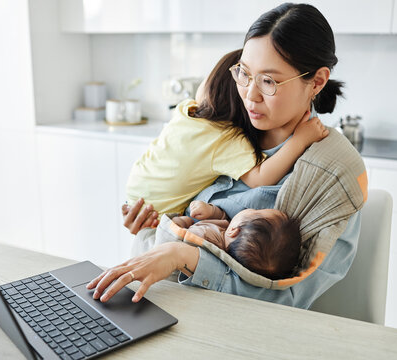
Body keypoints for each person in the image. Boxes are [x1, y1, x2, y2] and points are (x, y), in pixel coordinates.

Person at [87, 3, 361, 308]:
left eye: (268, 81)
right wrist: (149, 221)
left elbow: (287, 298)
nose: (250, 95)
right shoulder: (222, 127)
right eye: (244, 74)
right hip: (159, 304)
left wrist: (184, 256)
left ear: (318, 81)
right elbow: (171, 221)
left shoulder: (333, 173)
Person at [126, 48, 327, 216]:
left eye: (267, 81)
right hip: (156, 213)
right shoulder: (225, 138)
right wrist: (300, 140)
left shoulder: (186, 109)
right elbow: (261, 178)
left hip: (135, 192)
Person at [151, 200, 301, 280]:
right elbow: (224, 220)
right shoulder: (229, 240)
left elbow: (177, 237)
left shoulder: (202, 236)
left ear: (235, 230)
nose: (252, 209)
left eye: (255, 211)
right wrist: (211, 211)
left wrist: (182, 221)